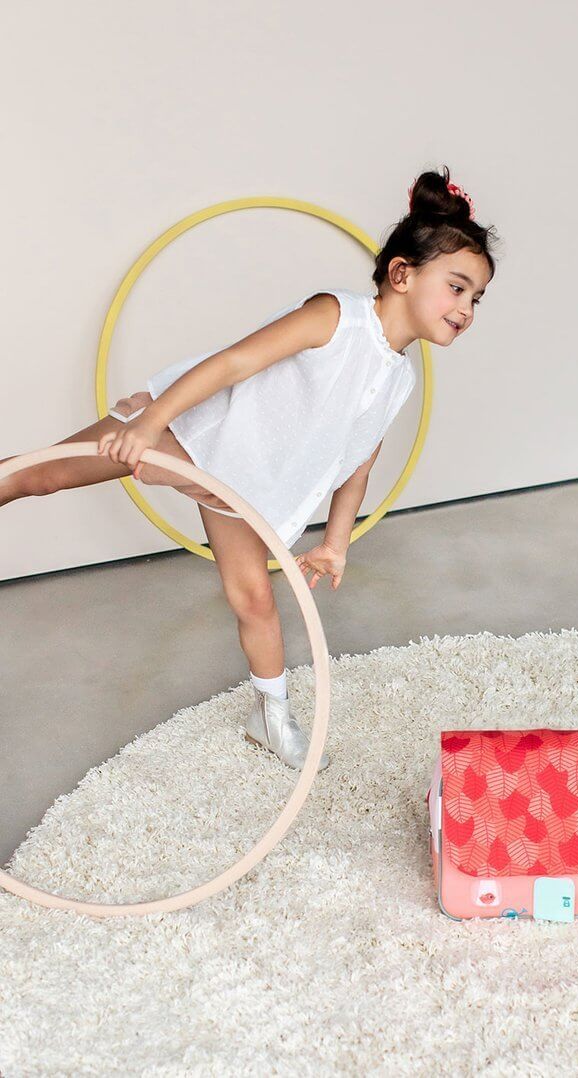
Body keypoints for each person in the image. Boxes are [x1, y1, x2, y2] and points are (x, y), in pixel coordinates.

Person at [0, 164, 498, 772]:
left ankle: (270, 714)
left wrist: (335, 543)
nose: (467, 308)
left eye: (476, 297)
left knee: (255, 599)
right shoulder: (336, 317)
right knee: (46, 473)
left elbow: (358, 465)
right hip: (195, 431)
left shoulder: (398, 378)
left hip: (244, 486)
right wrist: (152, 423)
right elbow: (234, 363)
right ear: (402, 274)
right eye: (457, 287)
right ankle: (98, 465)